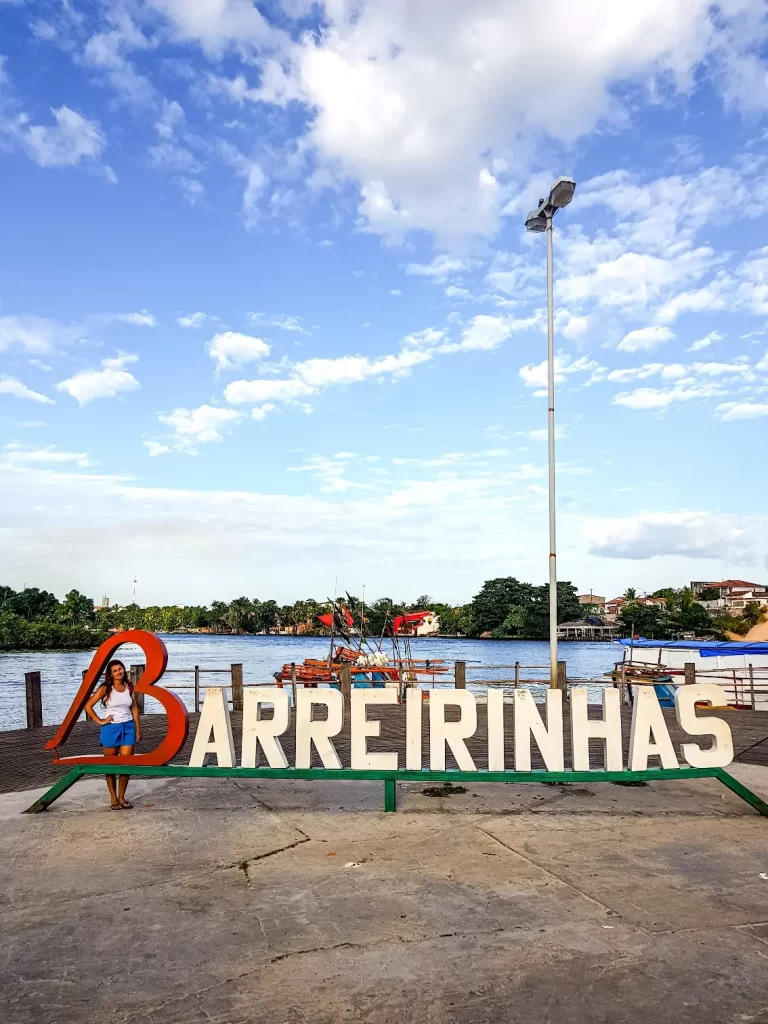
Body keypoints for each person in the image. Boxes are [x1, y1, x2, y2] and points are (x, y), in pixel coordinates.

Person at [85, 659, 141, 809]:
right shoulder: (106, 688)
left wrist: (138, 729)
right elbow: (88, 705)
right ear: (110, 674)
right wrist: (100, 720)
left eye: (120, 669)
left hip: (128, 727)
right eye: (115, 670)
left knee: (126, 764)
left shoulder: (129, 686)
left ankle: (122, 797)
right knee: (110, 765)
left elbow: (134, 708)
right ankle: (113, 798)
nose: (119, 672)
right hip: (111, 728)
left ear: (124, 670)